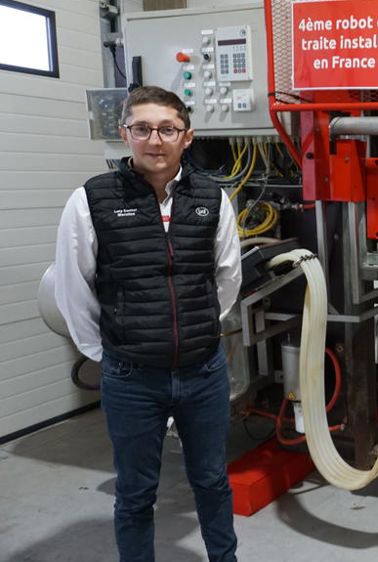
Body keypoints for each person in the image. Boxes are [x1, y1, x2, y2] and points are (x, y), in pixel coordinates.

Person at [54, 86, 241, 562]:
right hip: (132, 378)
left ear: (187, 137)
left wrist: (197, 329)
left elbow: (226, 278)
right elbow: (73, 288)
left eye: (167, 129)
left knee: (212, 480)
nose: (155, 140)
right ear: (125, 135)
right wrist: (110, 353)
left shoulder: (212, 198)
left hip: (203, 372)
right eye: (142, 129)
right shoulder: (90, 200)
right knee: (136, 492)